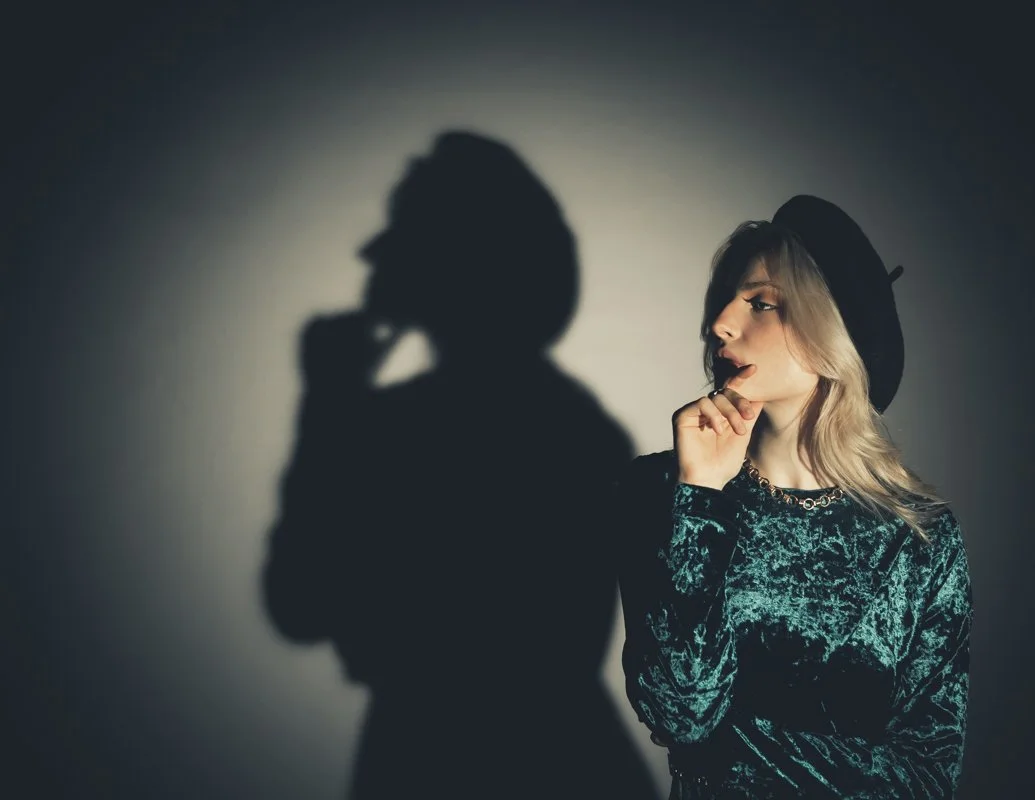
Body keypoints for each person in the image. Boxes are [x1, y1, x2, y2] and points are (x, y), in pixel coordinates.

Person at [261, 131, 657, 799]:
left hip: (439, 761)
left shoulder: (403, 427)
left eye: (403, 227)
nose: (371, 250)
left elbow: (299, 603)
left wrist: (326, 410)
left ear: (456, 257)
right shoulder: (582, 431)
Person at [614, 195, 973, 799]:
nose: (721, 323)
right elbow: (682, 714)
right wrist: (701, 495)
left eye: (761, 303)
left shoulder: (920, 538)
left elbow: (928, 776)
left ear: (832, 332)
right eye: (728, 299)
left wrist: (731, 749)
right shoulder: (661, 492)